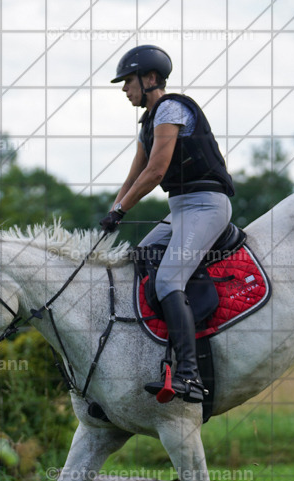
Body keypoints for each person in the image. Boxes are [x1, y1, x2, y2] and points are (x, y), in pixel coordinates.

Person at [100, 44, 236, 404]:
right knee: (142, 256)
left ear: (150, 79)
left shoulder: (171, 109)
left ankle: (190, 377)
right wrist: (112, 210)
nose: (124, 89)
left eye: (128, 81)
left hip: (206, 205)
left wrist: (121, 211)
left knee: (168, 278)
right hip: (180, 210)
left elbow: (156, 171)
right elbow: (134, 176)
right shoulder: (149, 122)